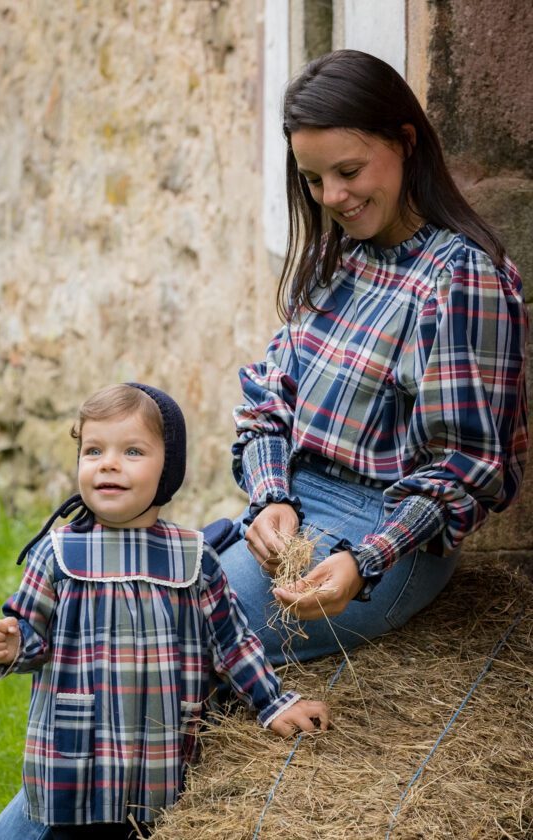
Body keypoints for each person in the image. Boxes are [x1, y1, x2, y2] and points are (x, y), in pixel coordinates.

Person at [218, 49, 528, 665]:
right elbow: (268, 402)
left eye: (349, 171)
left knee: (161, 638)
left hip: (385, 532)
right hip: (300, 502)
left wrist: (365, 562)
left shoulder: (460, 278)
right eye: (312, 179)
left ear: (406, 141)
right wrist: (270, 494)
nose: (332, 196)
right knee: (125, 611)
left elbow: (466, 469)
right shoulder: (337, 262)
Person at [0, 383, 329, 840]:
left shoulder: (192, 558)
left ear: (168, 469)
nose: (108, 463)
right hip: (76, 761)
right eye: (93, 450)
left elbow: (232, 643)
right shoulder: (58, 553)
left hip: (158, 765)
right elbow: (32, 634)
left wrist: (273, 703)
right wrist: (11, 644)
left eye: (132, 451)